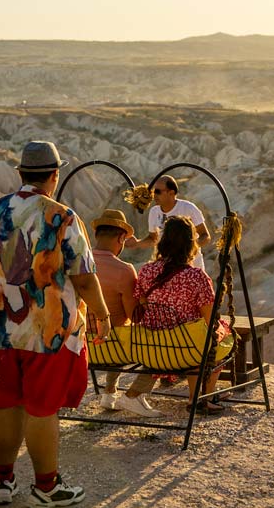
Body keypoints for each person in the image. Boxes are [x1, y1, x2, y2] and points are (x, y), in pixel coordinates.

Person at [0, 141, 111, 508]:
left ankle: (2, 480)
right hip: (45, 329)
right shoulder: (60, 216)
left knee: (6, 405)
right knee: (42, 408)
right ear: (54, 175)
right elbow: (83, 275)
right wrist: (102, 312)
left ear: (20, 174)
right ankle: (46, 488)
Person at [134, 216, 227, 413]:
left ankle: (200, 396)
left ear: (163, 241)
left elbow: (140, 303)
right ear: (190, 244)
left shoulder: (145, 271)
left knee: (194, 336)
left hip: (153, 349)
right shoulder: (196, 277)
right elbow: (211, 320)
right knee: (218, 334)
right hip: (186, 351)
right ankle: (201, 397)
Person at [90, 209, 161, 417]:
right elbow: (134, 316)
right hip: (113, 348)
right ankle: (134, 395)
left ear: (96, 235)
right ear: (121, 237)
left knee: (118, 328)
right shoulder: (124, 269)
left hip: (82, 346)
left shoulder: (78, 262)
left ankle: (109, 392)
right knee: (153, 341)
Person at [129, 175, 210, 269]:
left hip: (192, 267)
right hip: (166, 268)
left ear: (171, 193)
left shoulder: (188, 208)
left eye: (158, 192)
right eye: (153, 191)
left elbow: (205, 236)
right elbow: (153, 239)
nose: (154, 195)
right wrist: (137, 243)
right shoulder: (154, 212)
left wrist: (187, 248)